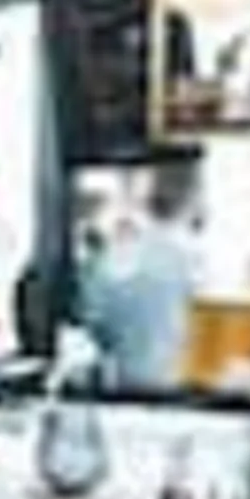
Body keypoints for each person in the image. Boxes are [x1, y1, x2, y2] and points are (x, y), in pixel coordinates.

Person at [80, 166, 202, 391]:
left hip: (125, 395)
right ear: (193, 195)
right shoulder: (196, 262)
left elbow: (94, 322)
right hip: (188, 400)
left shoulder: (112, 259)